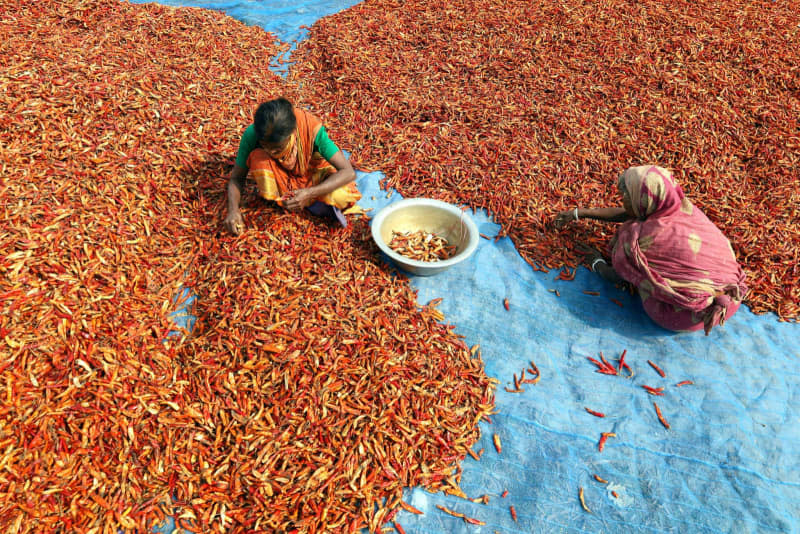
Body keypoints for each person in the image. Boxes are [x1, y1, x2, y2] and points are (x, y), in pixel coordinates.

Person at [554, 165, 747, 335]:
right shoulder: (686, 211)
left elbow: (616, 276)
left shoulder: (646, 239)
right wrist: (581, 213)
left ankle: (669, 298)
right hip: (730, 303)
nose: (622, 200)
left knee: (637, 261)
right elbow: (631, 212)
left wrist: (597, 262)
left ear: (642, 200)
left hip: (684, 317)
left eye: (626, 196)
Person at [223, 97, 362, 235]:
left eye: (277, 149)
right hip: (281, 176)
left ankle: (308, 201)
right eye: (266, 147)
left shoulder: (310, 127)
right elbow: (236, 178)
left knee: (341, 196)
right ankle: (306, 203)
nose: (271, 152)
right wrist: (233, 210)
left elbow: (348, 172)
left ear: (292, 133)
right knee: (259, 160)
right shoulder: (252, 135)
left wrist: (310, 193)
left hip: (312, 174)